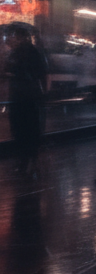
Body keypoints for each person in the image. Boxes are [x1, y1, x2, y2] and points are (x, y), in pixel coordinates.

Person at [5, 26, 47, 176]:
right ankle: (30, 160)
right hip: (26, 95)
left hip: (23, 96)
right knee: (28, 128)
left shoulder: (24, 53)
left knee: (22, 128)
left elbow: (35, 72)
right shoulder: (26, 52)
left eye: (14, 36)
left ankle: (26, 161)